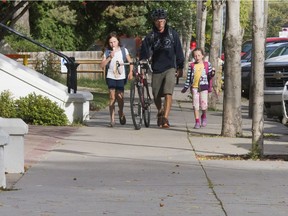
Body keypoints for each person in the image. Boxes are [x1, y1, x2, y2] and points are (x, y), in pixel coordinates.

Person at [139, 8, 184, 128]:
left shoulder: (172, 34)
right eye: (158, 21)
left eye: (162, 21)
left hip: (170, 67)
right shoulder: (151, 36)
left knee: (168, 92)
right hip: (156, 68)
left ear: (165, 21)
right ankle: (160, 111)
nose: (160, 23)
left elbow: (178, 50)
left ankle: (165, 118)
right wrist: (143, 62)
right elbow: (144, 52)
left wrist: (180, 66)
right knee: (156, 94)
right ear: (154, 21)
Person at [100, 31, 133, 127]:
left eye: (114, 42)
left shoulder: (124, 50)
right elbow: (102, 65)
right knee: (112, 97)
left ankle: (121, 112)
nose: (112, 44)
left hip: (121, 77)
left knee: (120, 97)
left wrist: (130, 72)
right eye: (110, 42)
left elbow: (130, 62)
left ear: (118, 41)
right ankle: (112, 120)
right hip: (111, 76)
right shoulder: (107, 52)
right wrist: (109, 57)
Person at [181, 48, 215, 129]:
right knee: (195, 105)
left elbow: (209, 75)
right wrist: (186, 87)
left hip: (204, 87)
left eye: (199, 55)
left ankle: (203, 116)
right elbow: (189, 78)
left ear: (202, 56)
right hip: (194, 88)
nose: (197, 57)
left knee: (204, 105)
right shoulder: (192, 66)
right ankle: (197, 121)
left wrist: (212, 72)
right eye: (195, 56)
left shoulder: (207, 64)